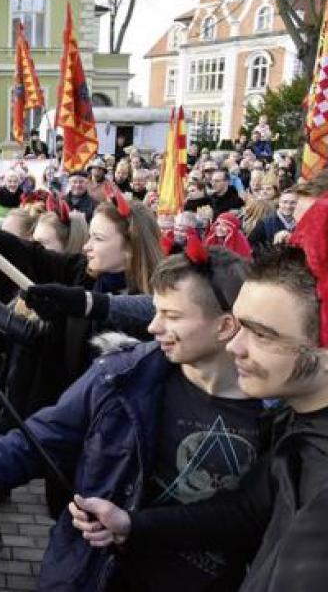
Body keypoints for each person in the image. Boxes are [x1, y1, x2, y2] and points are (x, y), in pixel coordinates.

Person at [0, 244, 261, 591]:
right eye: (155, 310)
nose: (153, 326)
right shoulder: (121, 376)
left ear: (225, 326)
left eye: (172, 315)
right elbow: (39, 439)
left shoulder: (277, 414)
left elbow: (256, 517)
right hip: (96, 572)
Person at [69, 222, 328, 591]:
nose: (236, 346)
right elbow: (246, 511)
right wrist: (132, 524)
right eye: (240, 326)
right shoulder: (295, 420)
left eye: (262, 334)